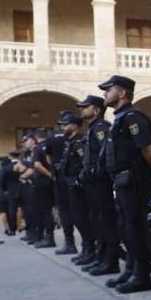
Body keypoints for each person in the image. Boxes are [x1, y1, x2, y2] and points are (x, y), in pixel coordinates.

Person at [99, 75, 151, 293]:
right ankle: (130, 269)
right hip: (122, 180)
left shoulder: (133, 117)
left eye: (109, 90)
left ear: (122, 93)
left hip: (134, 179)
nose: (105, 94)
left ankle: (142, 277)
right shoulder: (120, 118)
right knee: (126, 227)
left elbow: (148, 150)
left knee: (135, 229)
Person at [76, 95, 120, 276]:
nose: (82, 110)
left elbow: (106, 151)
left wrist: (97, 170)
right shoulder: (93, 128)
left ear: (96, 110)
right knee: (98, 221)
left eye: (86, 107)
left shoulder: (102, 127)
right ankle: (101, 258)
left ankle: (110, 261)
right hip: (92, 182)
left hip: (101, 182)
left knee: (106, 222)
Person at [56, 112, 92, 263]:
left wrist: (79, 180)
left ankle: (89, 250)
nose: (62, 127)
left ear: (74, 126)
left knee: (82, 219)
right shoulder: (69, 141)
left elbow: (85, 163)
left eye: (65, 125)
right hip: (68, 184)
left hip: (78, 185)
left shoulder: (80, 142)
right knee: (77, 218)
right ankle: (86, 249)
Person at [50, 112, 79, 255]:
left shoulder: (55, 137)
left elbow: (49, 156)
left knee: (69, 211)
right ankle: (82, 246)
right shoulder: (70, 138)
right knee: (74, 211)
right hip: (70, 178)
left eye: (65, 124)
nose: (63, 127)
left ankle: (71, 243)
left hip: (64, 178)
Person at [29, 128, 57, 249]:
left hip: (42, 181)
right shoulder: (51, 146)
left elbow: (37, 165)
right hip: (52, 181)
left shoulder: (37, 148)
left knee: (44, 210)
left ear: (36, 137)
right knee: (51, 209)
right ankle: (48, 236)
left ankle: (49, 238)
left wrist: (50, 175)